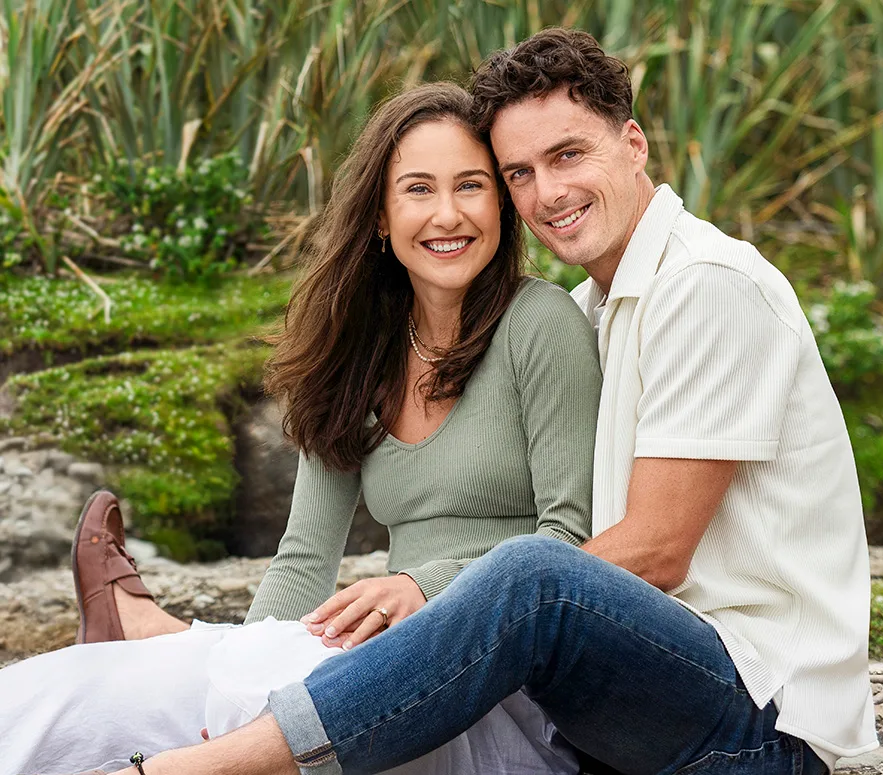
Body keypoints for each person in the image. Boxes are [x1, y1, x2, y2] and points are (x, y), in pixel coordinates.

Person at [0, 81, 602, 775]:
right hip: (372, 658)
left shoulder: (541, 325)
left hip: (496, 684)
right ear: (379, 216)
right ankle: (157, 645)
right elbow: (304, 559)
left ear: (501, 204)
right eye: (417, 189)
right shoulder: (361, 350)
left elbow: (573, 544)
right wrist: (230, 670)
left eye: (471, 185)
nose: (448, 213)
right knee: (65, 692)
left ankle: (153, 633)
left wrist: (424, 585)